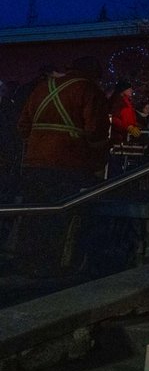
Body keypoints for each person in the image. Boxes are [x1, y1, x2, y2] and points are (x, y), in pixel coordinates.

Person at [16, 56, 111, 275]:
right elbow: (96, 132)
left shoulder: (42, 88)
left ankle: (26, 261)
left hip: (34, 162)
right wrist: (99, 156)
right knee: (62, 215)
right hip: (69, 163)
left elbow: (22, 127)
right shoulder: (89, 90)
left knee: (33, 213)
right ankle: (53, 265)